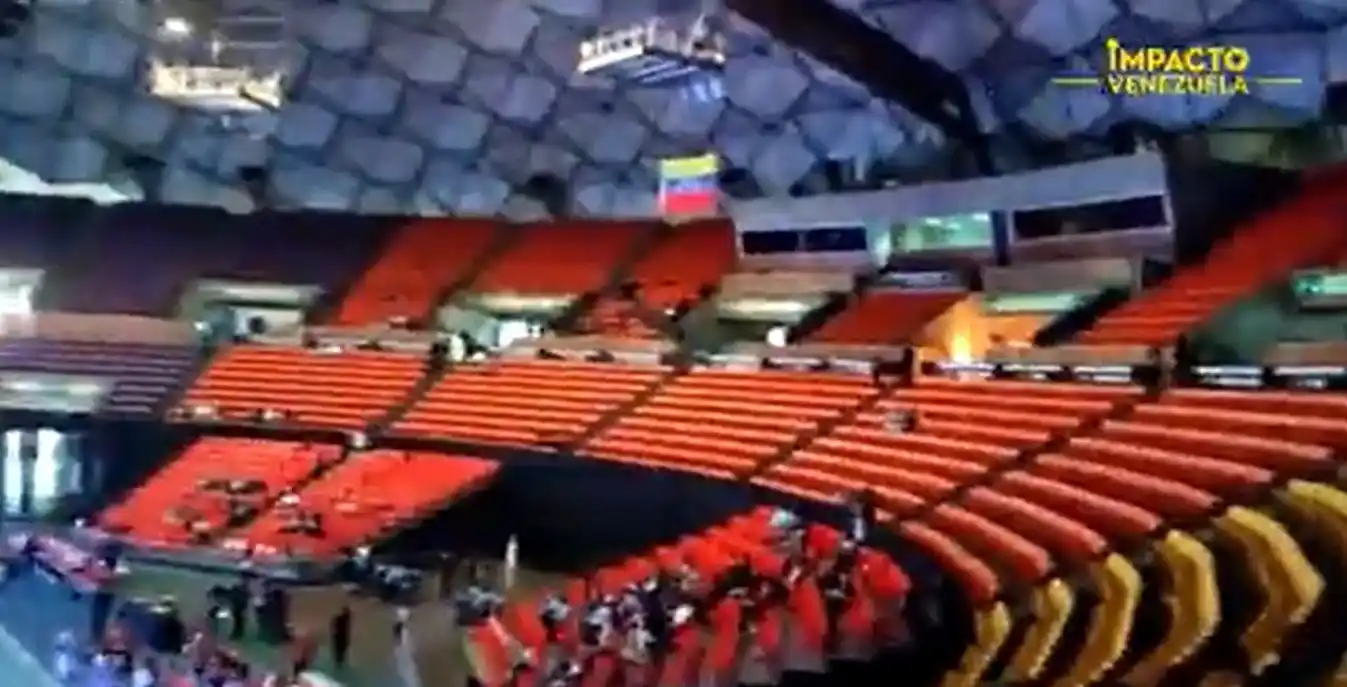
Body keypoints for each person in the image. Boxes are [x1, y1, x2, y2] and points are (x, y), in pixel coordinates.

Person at [329, 601, 351, 670]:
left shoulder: (344, 618)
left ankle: (339, 664)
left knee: (340, 651)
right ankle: (339, 664)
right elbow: (333, 626)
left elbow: (333, 626)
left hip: (341, 637)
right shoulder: (342, 618)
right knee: (340, 651)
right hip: (340, 637)